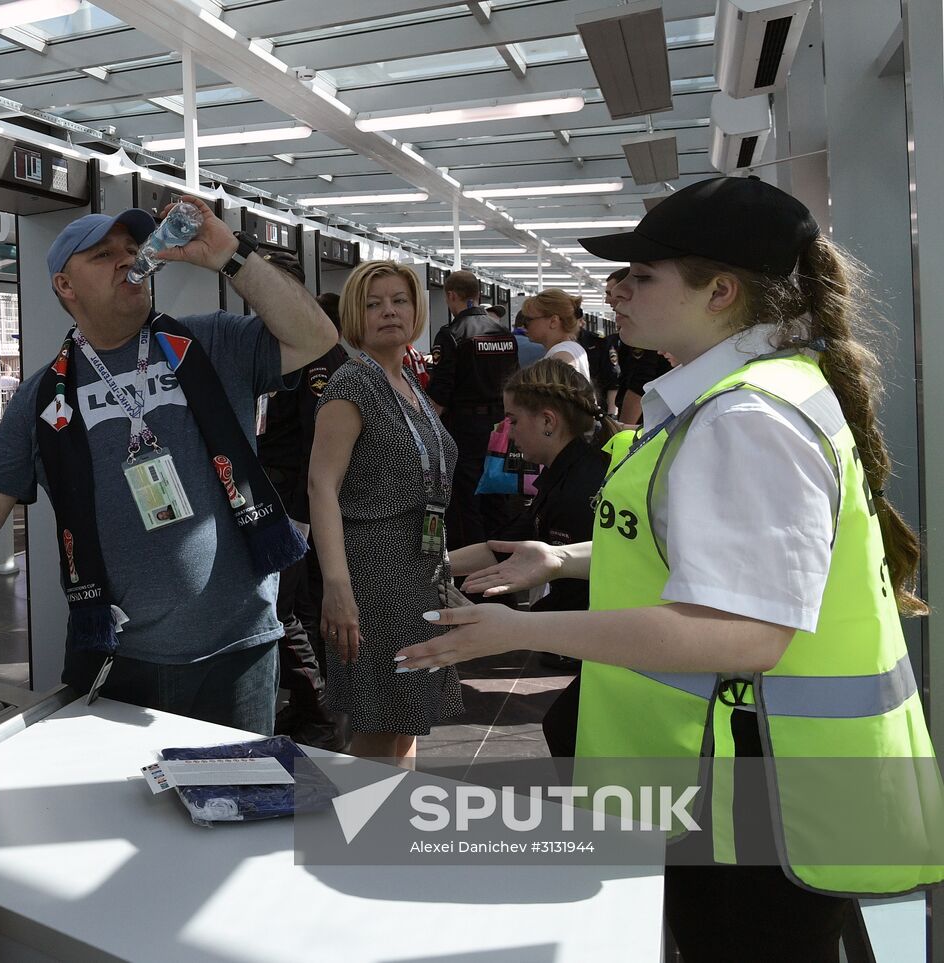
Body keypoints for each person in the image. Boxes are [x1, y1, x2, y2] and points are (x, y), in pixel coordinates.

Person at [397, 176, 944, 960]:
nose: (615, 292)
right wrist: (566, 557)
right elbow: (709, 560)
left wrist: (520, 630)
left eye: (641, 276)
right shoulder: (738, 398)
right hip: (747, 777)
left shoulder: (746, 418)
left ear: (720, 291)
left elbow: (745, 633)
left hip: (751, 791)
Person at [0, 198, 336, 732]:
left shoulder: (209, 341)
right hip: (117, 658)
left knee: (238, 805)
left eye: (133, 248)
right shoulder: (42, 396)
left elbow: (316, 338)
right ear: (65, 287)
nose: (127, 259)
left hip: (237, 654)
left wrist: (231, 254)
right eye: (102, 254)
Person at [309, 260, 463, 768]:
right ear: (355, 317)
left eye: (398, 300)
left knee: (406, 720)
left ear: (417, 309)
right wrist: (336, 586)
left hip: (417, 572)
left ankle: (394, 830)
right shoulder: (353, 384)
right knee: (380, 726)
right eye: (373, 304)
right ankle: (360, 838)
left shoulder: (410, 384)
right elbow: (321, 485)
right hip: (373, 576)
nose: (388, 313)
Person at [448, 359, 616, 755]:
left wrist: (505, 625)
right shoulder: (568, 473)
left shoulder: (581, 490)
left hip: (622, 639)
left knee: (566, 729)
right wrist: (430, 567)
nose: (506, 432)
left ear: (547, 421)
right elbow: (505, 545)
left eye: (512, 420)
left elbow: (584, 600)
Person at [256, 250, 348, 750]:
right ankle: (312, 701)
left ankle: (318, 708)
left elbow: (321, 442)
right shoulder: (270, 344)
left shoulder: (317, 353)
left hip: (294, 494)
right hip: (279, 489)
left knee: (281, 604)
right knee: (298, 603)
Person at [425, 270, 518, 551]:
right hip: (500, 426)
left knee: (466, 500)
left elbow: (441, 391)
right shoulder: (504, 333)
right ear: (478, 295)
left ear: (451, 295)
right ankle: (503, 557)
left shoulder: (451, 334)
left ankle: (472, 569)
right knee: (497, 495)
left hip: (464, 429)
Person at [606, 267, 672, 425]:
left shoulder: (644, 329)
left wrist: (622, 429)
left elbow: (639, 383)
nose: (608, 300)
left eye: (610, 292)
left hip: (643, 420)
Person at [520, 288, 589, 378]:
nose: (523, 325)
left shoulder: (560, 356)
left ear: (553, 321)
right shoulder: (573, 348)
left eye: (528, 320)